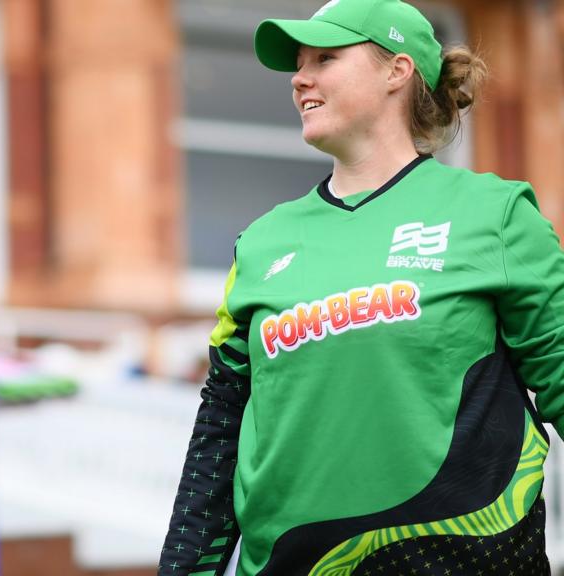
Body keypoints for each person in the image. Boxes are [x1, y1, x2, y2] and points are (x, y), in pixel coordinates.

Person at [159, 0, 562, 573]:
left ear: (397, 71)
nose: (301, 78)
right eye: (299, 64)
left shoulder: (495, 214)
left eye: (325, 58)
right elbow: (220, 429)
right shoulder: (262, 244)